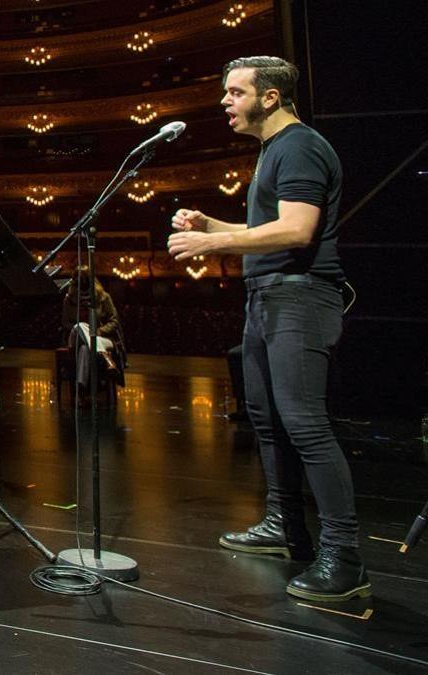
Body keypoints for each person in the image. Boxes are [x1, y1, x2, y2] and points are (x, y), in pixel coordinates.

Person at [167, 56, 365, 602]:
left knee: (305, 423)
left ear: (270, 97)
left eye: (234, 93)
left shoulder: (299, 145)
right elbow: (268, 229)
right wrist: (214, 225)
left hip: (299, 298)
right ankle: (285, 526)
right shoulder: (274, 150)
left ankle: (344, 559)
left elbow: (298, 231)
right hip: (269, 298)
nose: (225, 102)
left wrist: (213, 243)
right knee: (268, 419)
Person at [61, 266, 125, 392]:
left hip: (101, 337)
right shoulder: (69, 299)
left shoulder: (103, 297)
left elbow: (114, 321)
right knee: (79, 326)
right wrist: (86, 330)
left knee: (85, 349)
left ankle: (81, 389)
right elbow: (65, 323)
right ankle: (107, 359)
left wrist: (99, 331)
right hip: (75, 338)